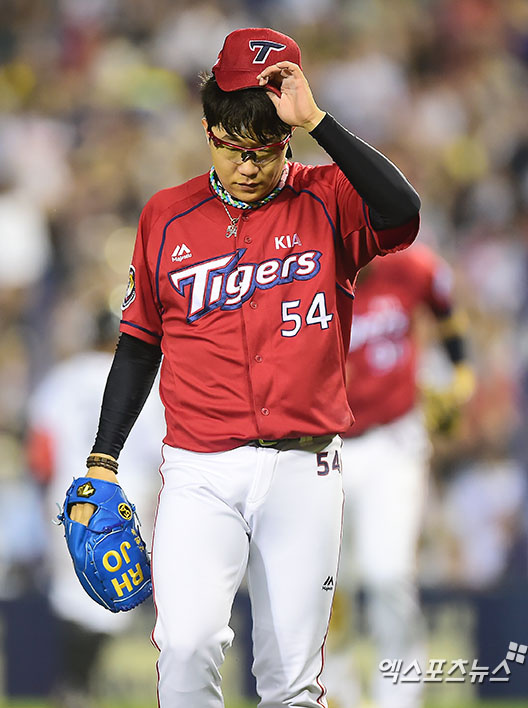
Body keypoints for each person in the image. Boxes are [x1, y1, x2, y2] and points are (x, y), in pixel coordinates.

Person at [68, 27, 420, 707]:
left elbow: (403, 211)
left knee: (291, 683)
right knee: (186, 646)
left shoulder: (328, 197)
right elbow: (139, 342)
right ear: (208, 130)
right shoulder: (166, 217)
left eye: (266, 148)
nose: (249, 165)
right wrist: (103, 460)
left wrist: (317, 122)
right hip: (200, 469)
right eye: (234, 146)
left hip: (304, 467)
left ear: (287, 138)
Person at [324, 243, 475, 708]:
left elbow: (444, 307)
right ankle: (336, 690)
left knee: (388, 574)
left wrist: (460, 371)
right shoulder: (307, 271)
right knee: (326, 583)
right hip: (326, 444)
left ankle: (400, 697)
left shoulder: (411, 266)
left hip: (394, 439)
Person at [27, 308, 164, 706]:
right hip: (124, 500)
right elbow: (160, 450)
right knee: (115, 594)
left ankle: (74, 684)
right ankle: (77, 684)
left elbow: (40, 450)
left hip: (68, 498)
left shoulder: (64, 377)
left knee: (71, 594)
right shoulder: (145, 377)